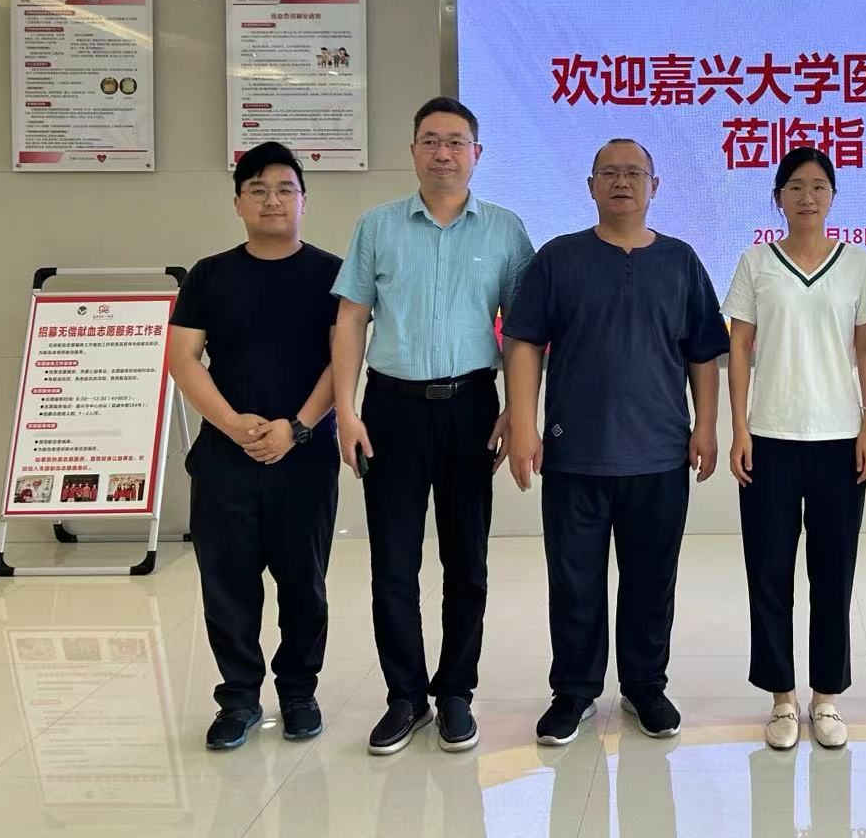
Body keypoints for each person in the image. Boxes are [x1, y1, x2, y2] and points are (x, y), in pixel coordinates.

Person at [503, 139, 730, 747]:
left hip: (659, 454)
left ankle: (644, 686)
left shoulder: (681, 261)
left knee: (652, 579)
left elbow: (703, 352)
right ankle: (574, 691)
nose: (622, 182)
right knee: (573, 580)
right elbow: (524, 342)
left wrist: (706, 425)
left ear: (655, 186)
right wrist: (522, 423)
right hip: (574, 452)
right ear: (591, 185)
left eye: (634, 173)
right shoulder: (559, 258)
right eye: (609, 172)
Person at [331, 97, 534, 756]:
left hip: (472, 406)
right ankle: (405, 696)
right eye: (430, 141)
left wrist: (517, 408)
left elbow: (523, 330)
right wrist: (345, 409)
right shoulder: (378, 225)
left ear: (477, 153)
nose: (443, 153)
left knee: (466, 559)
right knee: (393, 559)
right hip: (391, 409)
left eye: (455, 141)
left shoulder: (505, 230)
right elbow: (351, 318)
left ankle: (455, 692)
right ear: (413, 150)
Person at [167, 141, 342, 752]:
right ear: (238, 202)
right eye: (258, 190)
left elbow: (344, 361)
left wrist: (297, 427)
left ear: (303, 201)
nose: (272, 200)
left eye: (285, 189)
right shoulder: (209, 274)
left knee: (304, 584)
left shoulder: (332, 275)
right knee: (228, 584)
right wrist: (231, 424)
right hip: (225, 459)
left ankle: (298, 692)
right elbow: (183, 359)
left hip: (306, 457)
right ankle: (239, 698)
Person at [724, 148, 866, 750]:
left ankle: (827, 697)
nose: (808, 196)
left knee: (833, 572)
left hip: (839, 439)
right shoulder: (756, 262)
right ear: (778, 198)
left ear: (833, 196)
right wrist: (739, 427)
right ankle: (781, 698)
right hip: (770, 437)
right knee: (768, 571)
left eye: (819, 186)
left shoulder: (857, 263)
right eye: (795, 186)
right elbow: (740, 348)